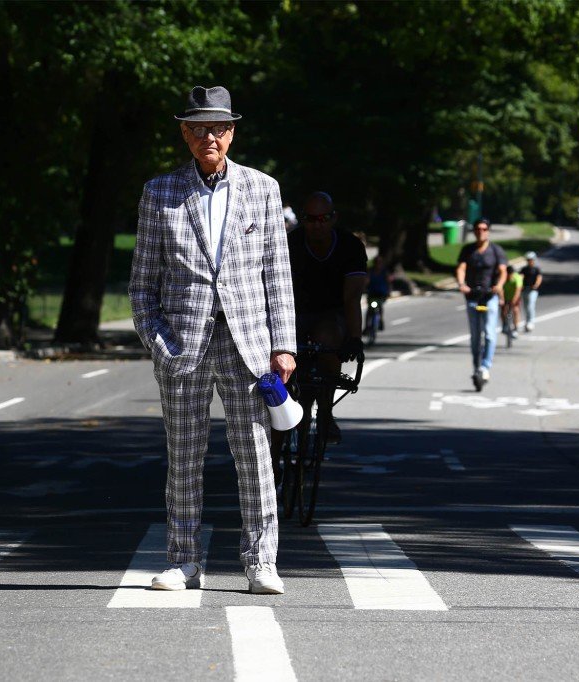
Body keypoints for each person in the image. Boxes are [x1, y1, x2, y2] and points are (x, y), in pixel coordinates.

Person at [129, 85, 296, 595]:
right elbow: (141, 286)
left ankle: (261, 561)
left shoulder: (263, 188)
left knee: (254, 456)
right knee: (184, 458)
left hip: (247, 344)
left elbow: (277, 273)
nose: (209, 137)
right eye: (198, 128)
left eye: (218, 128)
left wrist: (283, 343)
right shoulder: (160, 192)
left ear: (232, 132)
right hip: (183, 345)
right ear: (184, 133)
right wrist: (162, 345)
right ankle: (184, 562)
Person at [277, 191, 365, 455]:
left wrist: (355, 338)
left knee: (328, 337)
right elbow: (276, 290)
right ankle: (274, 444)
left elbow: (352, 298)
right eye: (311, 219)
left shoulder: (350, 246)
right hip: (294, 312)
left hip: (333, 312)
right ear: (303, 220)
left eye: (323, 219)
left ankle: (325, 413)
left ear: (333, 218)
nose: (317, 225)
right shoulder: (290, 243)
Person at [455, 218, 507, 384]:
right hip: (472, 296)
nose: (481, 232)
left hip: (489, 296)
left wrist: (498, 286)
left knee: (490, 333)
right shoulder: (468, 250)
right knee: (475, 336)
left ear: (488, 231)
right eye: (478, 229)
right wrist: (462, 284)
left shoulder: (496, 251)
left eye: (484, 229)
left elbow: (502, 271)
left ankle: (485, 366)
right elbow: (461, 268)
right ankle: (476, 365)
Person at [365, 254, 393, 332]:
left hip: (381, 293)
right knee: (369, 309)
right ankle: (367, 326)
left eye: (379, 262)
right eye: (376, 262)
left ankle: (380, 320)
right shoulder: (370, 271)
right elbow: (366, 281)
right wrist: (364, 287)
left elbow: (388, 282)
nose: (378, 264)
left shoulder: (384, 272)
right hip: (371, 292)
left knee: (380, 306)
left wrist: (389, 291)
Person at [519, 251, 542, 332]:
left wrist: (536, 285)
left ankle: (531, 322)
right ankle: (527, 321)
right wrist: (520, 285)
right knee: (525, 307)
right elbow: (521, 277)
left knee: (530, 305)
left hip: (533, 290)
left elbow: (539, 278)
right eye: (528, 259)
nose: (530, 261)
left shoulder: (536, 269)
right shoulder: (524, 269)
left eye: (531, 259)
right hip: (525, 289)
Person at [501, 265, 523, 338]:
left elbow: (518, 289)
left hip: (514, 296)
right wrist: (502, 299)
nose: (510, 276)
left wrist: (514, 300)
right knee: (503, 310)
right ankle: (504, 324)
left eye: (511, 274)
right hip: (505, 296)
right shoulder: (503, 278)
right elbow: (500, 289)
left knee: (515, 310)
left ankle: (516, 328)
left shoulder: (517, 278)